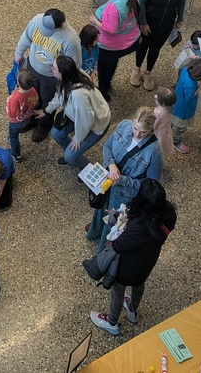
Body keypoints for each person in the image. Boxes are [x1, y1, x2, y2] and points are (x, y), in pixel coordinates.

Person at [89, 178, 177, 336]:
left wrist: (115, 223)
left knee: (118, 290)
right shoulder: (168, 213)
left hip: (127, 265)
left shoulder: (138, 226)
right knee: (139, 283)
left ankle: (112, 322)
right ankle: (132, 309)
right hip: (148, 260)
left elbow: (119, 245)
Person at [87, 106, 164, 248]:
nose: (137, 135)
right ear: (133, 122)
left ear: (151, 130)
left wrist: (122, 179)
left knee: (113, 219)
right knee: (101, 208)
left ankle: (104, 244)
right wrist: (111, 165)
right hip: (108, 178)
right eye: (135, 128)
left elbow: (150, 185)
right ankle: (96, 230)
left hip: (125, 192)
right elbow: (107, 147)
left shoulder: (154, 152)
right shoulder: (124, 125)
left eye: (143, 132)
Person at [13, 9, 82, 143]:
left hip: (51, 77)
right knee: (31, 98)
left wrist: (63, 82)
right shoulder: (38, 20)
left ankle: (44, 126)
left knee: (47, 102)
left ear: (61, 25)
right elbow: (26, 36)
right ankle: (32, 119)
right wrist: (19, 53)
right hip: (32, 67)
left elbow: (74, 66)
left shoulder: (71, 40)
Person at [130, 0, 190, 90]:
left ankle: (148, 73)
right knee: (143, 45)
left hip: (167, 21)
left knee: (156, 48)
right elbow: (141, 3)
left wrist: (180, 19)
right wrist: (143, 23)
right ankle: (137, 69)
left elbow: (182, 1)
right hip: (150, 19)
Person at [47, 55, 112, 170]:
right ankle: (73, 156)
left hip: (96, 125)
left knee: (69, 156)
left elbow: (86, 119)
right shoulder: (72, 76)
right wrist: (47, 110)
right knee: (56, 134)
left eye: (54, 68)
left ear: (63, 73)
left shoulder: (78, 95)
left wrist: (78, 138)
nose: (51, 69)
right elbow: (60, 97)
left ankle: (87, 168)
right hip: (79, 115)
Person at [90, 0, 145, 101]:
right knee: (112, 64)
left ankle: (103, 94)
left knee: (104, 72)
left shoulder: (115, 8)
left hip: (110, 46)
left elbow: (110, 30)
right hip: (130, 40)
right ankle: (108, 83)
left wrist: (95, 22)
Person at [172, 58, 201, 153]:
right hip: (182, 108)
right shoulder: (190, 84)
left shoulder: (185, 70)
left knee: (173, 120)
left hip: (175, 100)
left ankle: (172, 131)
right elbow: (189, 97)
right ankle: (176, 141)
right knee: (177, 126)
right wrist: (200, 87)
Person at [6, 68, 40, 160]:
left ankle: (16, 155)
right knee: (15, 133)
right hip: (27, 116)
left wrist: (8, 100)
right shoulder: (32, 90)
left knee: (13, 137)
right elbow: (36, 101)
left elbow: (12, 114)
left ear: (18, 83)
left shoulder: (15, 99)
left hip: (16, 121)